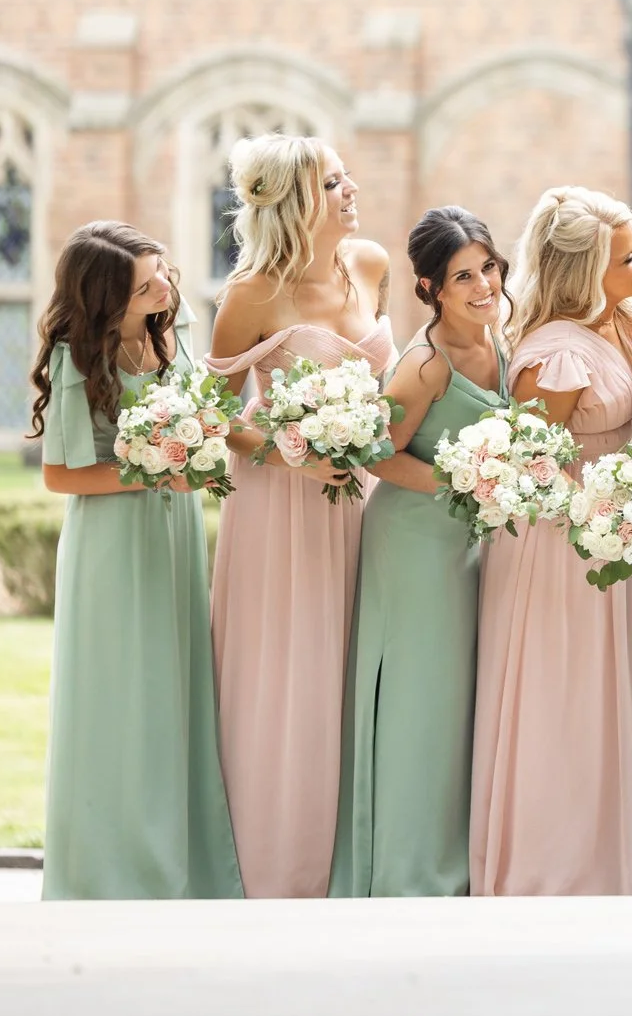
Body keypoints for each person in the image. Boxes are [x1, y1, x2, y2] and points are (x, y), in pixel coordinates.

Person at [203, 135, 394, 897]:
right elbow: (213, 418)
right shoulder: (249, 294)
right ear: (294, 201)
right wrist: (293, 450)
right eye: (333, 182)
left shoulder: (372, 264)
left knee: (355, 667)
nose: (351, 190)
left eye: (348, 177)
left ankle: (353, 863)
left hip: (361, 503)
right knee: (287, 676)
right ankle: (275, 866)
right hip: (278, 511)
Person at [32, 222, 242, 901]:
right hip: (111, 543)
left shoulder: (164, 339)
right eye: (144, 283)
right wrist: (152, 470)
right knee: (115, 697)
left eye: (162, 273)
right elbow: (62, 476)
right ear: (104, 296)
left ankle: (175, 858)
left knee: (171, 690)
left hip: (172, 532)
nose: (162, 287)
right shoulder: (74, 357)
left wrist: (199, 460)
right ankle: (103, 867)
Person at [469, 186, 632, 896]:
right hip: (555, 543)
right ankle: (548, 868)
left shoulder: (622, 324)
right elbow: (531, 468)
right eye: (628, 256)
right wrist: (608, 506)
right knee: (558, 695)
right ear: (586, 273)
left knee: (597, 698)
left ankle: (600, 859)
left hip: (606, 533)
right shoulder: (553, 357)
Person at [331, 207, 507, 897]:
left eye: (488, 267)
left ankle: (451, 859)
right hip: (412, 544)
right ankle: (407, 871)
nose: (483, 283)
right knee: (417, 702)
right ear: (430, 288)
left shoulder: (500, 343)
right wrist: (463, 480)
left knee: (457, 702)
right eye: (463, 275)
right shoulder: (426, 365)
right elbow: (375, 453)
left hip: (465, 541)